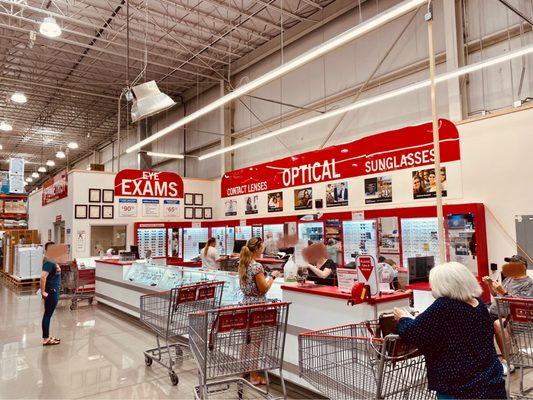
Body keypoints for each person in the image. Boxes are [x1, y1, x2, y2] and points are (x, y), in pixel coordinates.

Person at [394, 262, 506, 399]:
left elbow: (413, 332)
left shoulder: (444, 306)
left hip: (461, 387)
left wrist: (402, 319)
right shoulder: (478, 303)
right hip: (490, 380)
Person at [238, 237, 281, 385]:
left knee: (246, 340)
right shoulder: (256, 267)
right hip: (257, 307)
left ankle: (242, 370)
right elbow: (263, 288)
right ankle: (254, 376)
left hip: (246, 305)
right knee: (255, 343)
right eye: (262, 246)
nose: (263, 248)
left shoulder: (243, 264)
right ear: (257, 249)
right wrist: (272, 277)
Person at [483, 256, 533, 375]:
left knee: (498, 325)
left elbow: (523, 304)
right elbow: (495, 294)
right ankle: (484, 361)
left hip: (514, 318)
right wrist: (490, 284)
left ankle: (506, 362)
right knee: (476, 322)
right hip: (495, 313)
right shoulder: (508, 279)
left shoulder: (529, 283)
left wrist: (504, 292)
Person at [40, 242, 61, 346]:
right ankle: (46, 339)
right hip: (51, 290)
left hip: (53, 289)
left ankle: (46, 336)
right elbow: (43, 277)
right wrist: (43, 292)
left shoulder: (52, 260)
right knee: (48, 314)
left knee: (48, 314)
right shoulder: (50, 262)